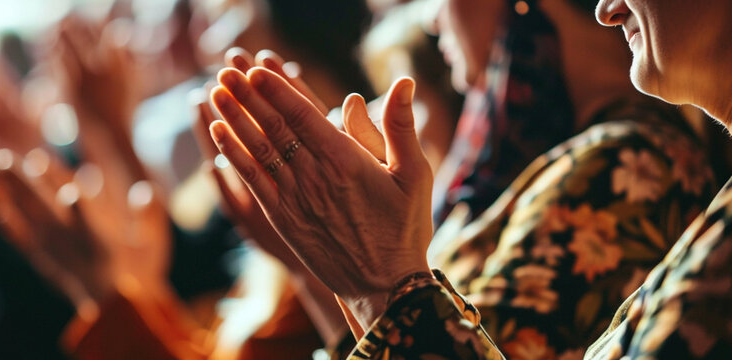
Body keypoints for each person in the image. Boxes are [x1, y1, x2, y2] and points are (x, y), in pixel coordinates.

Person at [204, 0, 724, 359]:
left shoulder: (630, 163)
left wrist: (381, 280)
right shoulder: (564, 163)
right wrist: (326, 268)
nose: (431, 15)